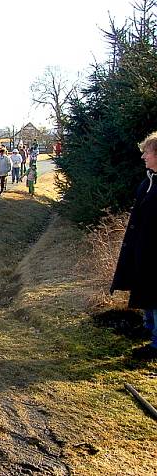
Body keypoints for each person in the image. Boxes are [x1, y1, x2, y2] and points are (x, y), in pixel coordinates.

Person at [111, 131, 157, 360]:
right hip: (143, 248)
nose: (143, 157)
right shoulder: (148, 181)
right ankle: (149, 329)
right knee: (146, 289)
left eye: (146, 152)